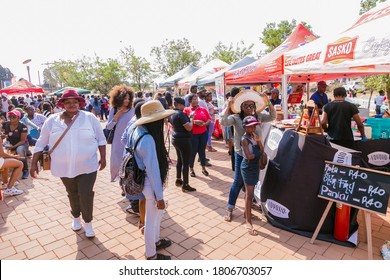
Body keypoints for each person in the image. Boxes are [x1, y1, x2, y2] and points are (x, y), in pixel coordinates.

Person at [30, 89, 107, 238]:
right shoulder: (52, 120)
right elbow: (41, 142)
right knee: (72, 193)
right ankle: (76, 217)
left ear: (80, 103)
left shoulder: (90, 118)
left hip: (87, 166)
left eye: (75, 101)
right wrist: (33, 164)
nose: (72, 104)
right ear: (62, 104)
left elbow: (101, 139)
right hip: (63, 167)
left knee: (86, 193)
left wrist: (103, 158)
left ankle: (88, 223)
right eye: (68, 102)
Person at [125, 100, 175, 260]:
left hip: (143, 178)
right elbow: (153, 172)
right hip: (149, 183)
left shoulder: (136, 129)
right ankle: (151, 254)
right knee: (151, 220)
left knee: (153, 217)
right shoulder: (148, 140)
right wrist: (159, 197)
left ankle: (155, 241)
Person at [220, 89, 276, 222]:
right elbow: (223, 121)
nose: (249, 108)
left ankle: (248, 208)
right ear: (241, 107)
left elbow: (272, 116)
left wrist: (268, 102)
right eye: (246, 106)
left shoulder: (259, 116)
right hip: (241, 154)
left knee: (250, 182)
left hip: (256, 154)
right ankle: (230, 208)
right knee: (238, 181)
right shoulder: (236, 118)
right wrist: (228, 106)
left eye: (252, 105)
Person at [241, 116, 264, 235]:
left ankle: (246, 214)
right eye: (250, 126)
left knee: (248, 193)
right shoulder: (244, 139)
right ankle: (248, 222)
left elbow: (262, 151)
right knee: (249, 195)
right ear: (245, 127)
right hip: (248, 168)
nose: (253, 128)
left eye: (254, 126)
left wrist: (259, 142)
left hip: (254, 167)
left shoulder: (255, 137)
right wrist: (258, 152)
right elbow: (249, 156)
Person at [106, 85, 135, 182]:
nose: (127, 100)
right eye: (124, 98)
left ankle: (127, 184)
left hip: (130, 141)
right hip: (118, 142)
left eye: (128, 98)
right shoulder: (114, 110)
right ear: (119, 98)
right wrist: (116, 117)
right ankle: (122, 184)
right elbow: (109, 127)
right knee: (118, 163)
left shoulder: (133, 110)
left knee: (129, 164)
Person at [169, 97, 195, 192]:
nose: (184, 107)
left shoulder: (171, 113)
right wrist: (191, 118)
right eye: (183, 105)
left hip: (176, 138)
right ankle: (186, 184)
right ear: (180, 105)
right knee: (185, 162)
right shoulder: (181, 114)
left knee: (180, 159)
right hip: (183, 140)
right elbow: (189, 128)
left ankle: (178, 179)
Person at [184, 94, 211, 177]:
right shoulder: (186, 110)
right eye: (193, 99)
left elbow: (209, 119)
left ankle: (203, 168)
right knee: (193, 152)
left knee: (202, 151)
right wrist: (195, 122)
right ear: (190, 101)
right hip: (193, 134)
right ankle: (191, 169)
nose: (195, 101)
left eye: (196, 99)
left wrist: (205, 123)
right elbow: (185, 121)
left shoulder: (203, 109)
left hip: (203, 133)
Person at [1, 110, 30, 179]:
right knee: (1, 150)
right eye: (10, 116)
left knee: (19, 150)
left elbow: (22, 141)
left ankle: (25, 170)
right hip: (9, 143)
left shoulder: (23, 126)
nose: (11, 118)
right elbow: (3, 132)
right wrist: (3, 135)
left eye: (14, 117)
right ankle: (2, 169)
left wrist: (13, 147)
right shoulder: (6, 124)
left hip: (21, 144)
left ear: (18, 118)